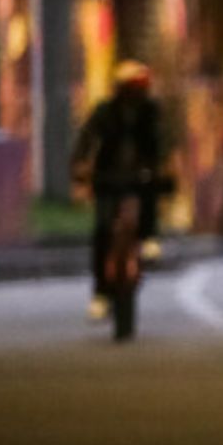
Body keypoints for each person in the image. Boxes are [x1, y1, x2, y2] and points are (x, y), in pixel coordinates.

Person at [72, 60, 168, 322]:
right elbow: (87, 139)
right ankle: (101, 293)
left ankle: (149, 237)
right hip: (108, 177)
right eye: (132, 87)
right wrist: (81, 168)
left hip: (140, 176)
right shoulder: (105, 111)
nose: (136, 93)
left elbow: (162, 144)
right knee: (103, 231)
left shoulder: (151, 111)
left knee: (149, 196)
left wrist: (165, 169)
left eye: (141, 87)